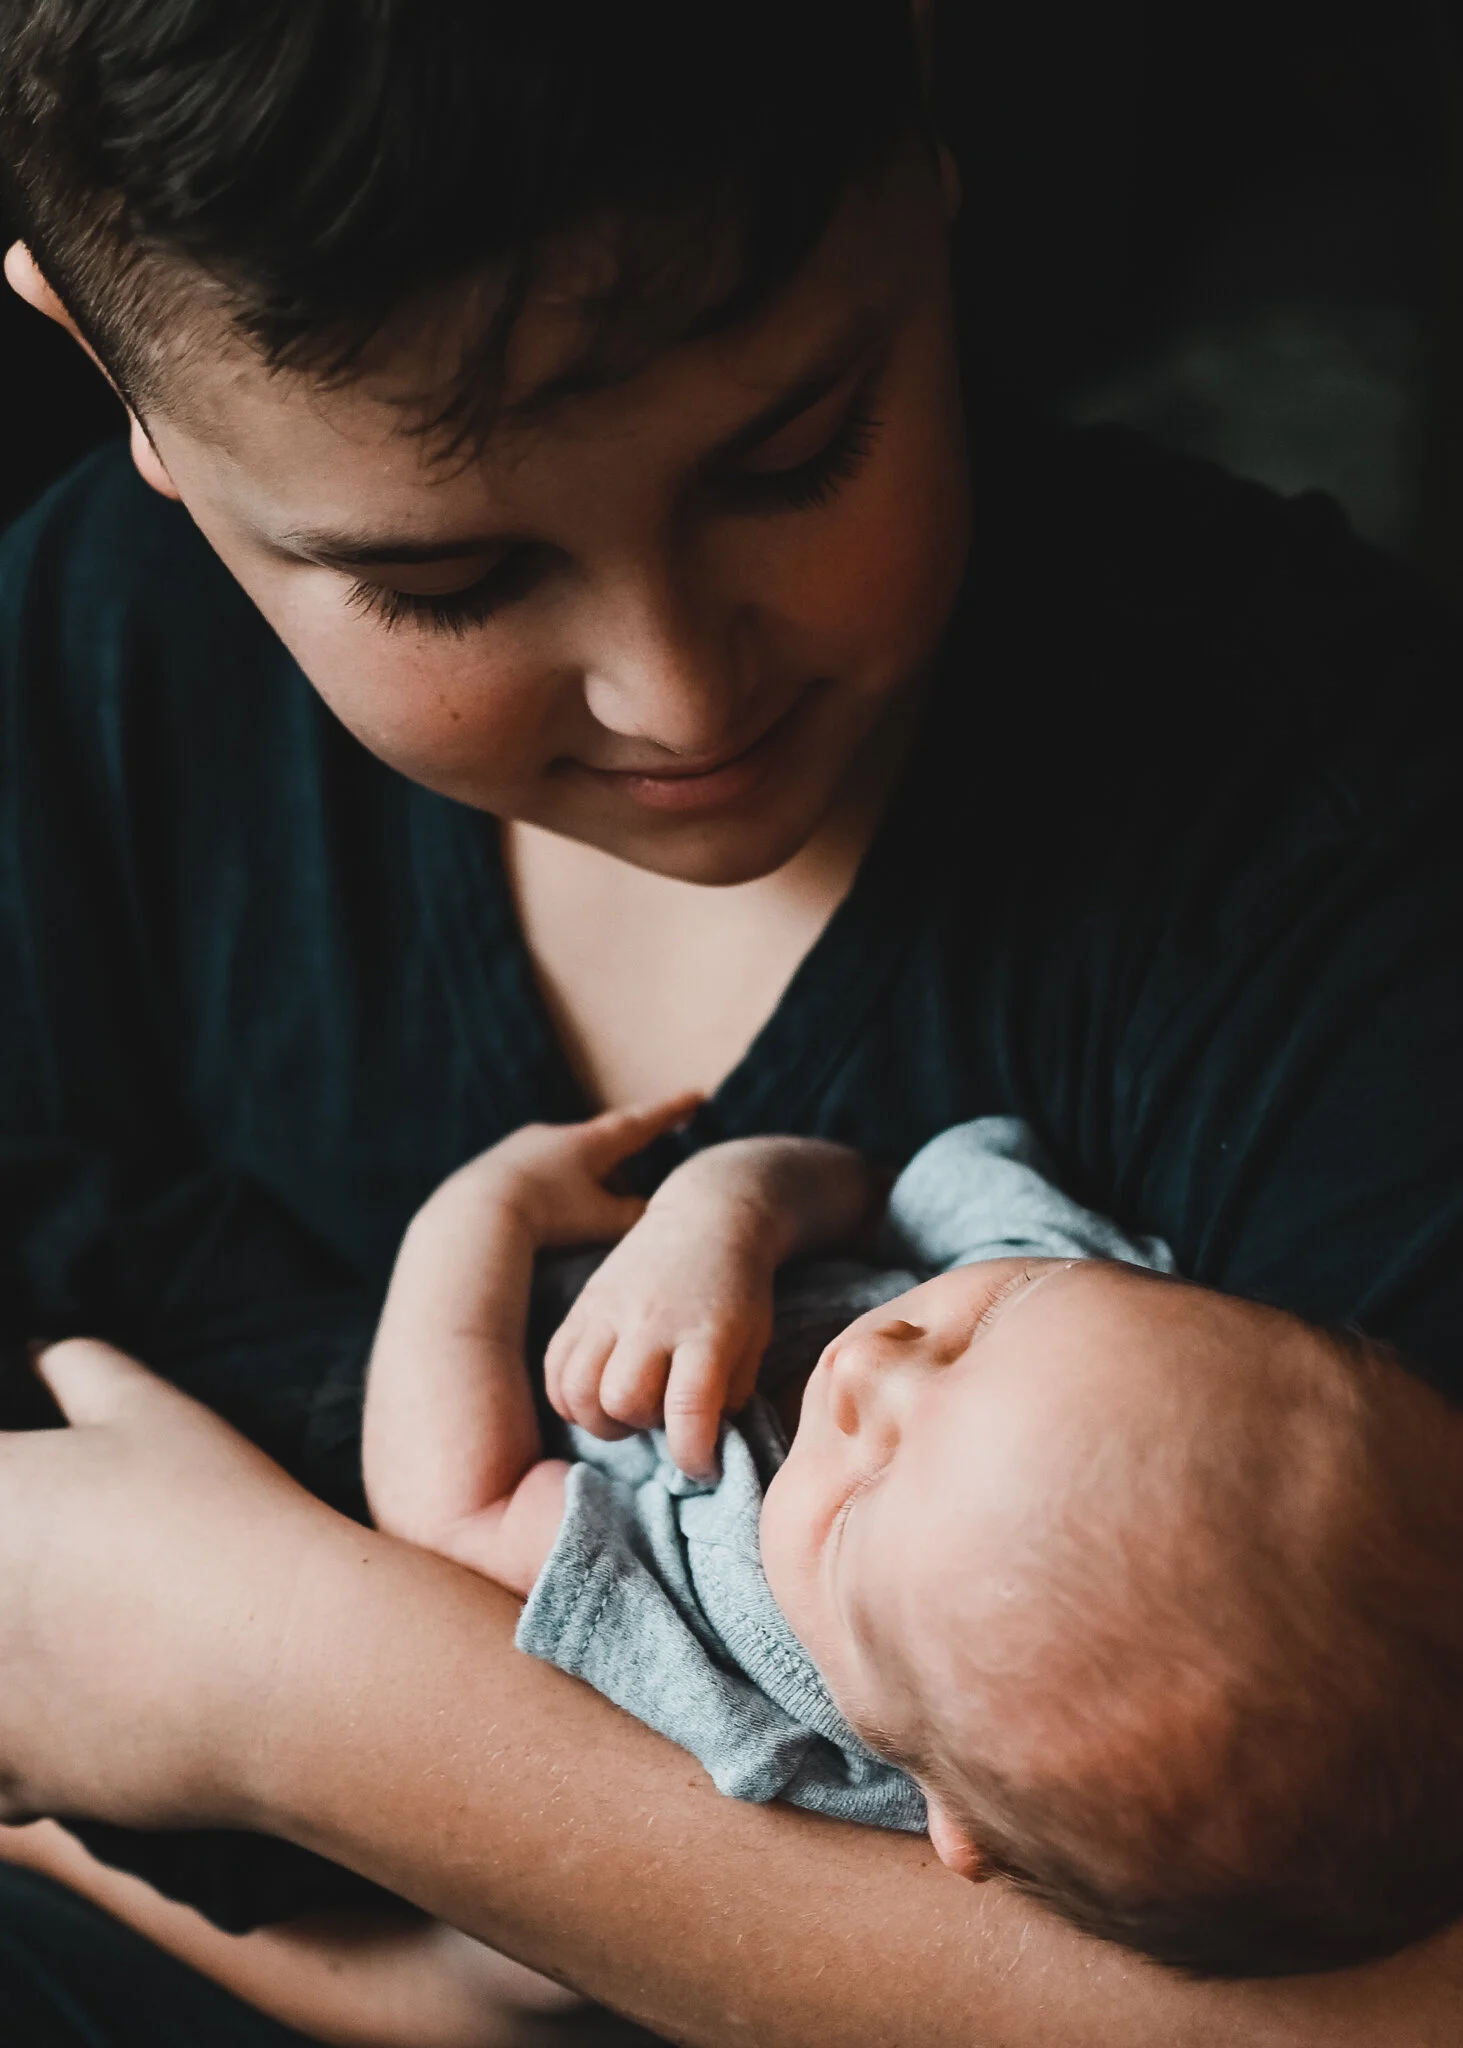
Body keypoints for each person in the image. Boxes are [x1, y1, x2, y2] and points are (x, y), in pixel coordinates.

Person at [1, 0, 1462, 2042]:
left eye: (792, 454)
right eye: (446, 581)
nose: (677, 695)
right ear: (113, 374)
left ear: (925, 142)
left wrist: (279, 1691)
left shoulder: (1332, 844)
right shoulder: (86, 685)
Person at [363, 1110, 1463, 1985]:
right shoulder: (1109, 1299)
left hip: (425, 1371)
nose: (866, 1369)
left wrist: (478, 1219)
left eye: (858, 1503)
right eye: (990, 1323)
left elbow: (458, 1508)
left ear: (951, 1817)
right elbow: (877, 1181)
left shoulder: (749, 1668)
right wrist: (723, 1211)